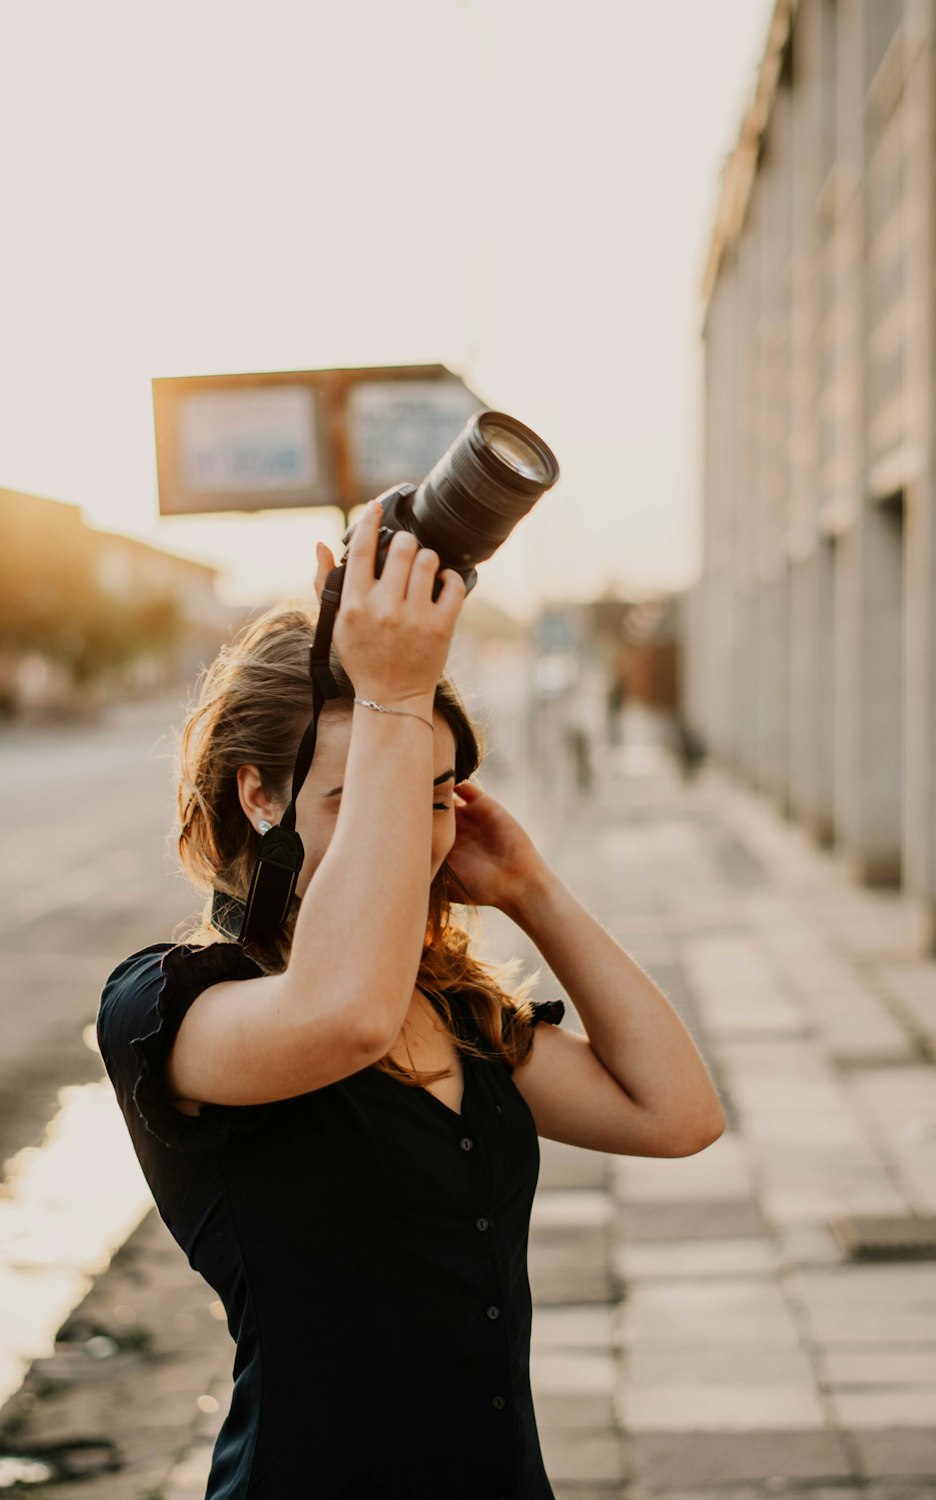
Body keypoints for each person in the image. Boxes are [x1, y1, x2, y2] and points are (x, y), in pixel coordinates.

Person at [97, 498, 726, 1499]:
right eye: (366, 794)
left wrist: (532, 890)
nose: (417, 832)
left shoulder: (453, 1009)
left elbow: (678, 1115)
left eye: (434, 795)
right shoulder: (169, 1006)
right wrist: (390, 697)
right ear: (261, 797)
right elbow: (340, 1016)